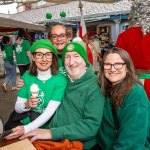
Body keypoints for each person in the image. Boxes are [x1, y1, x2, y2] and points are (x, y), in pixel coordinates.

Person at [6, 41, 105, 150]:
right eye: (67, 57)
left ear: (85, 60)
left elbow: (90, 127)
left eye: (76, 56)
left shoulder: (95, 85)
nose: (72, 62)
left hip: (71, 142)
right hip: (49, 133)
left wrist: (50, 133)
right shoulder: (66, 78)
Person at [4, 39, 67, 136]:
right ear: (33, 57)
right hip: (25, 118)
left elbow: (49, 112)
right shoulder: (27, 76)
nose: (44, 59)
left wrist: (26, 129)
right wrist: (27, 105)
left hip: (45, 124)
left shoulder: (60, 80)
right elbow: (18, 107)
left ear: (53, 57)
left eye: (48, 54)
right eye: (39, 55)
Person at [96, 47, 150, 149]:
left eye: (118, 64)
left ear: (127, 67)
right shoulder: (103, 89)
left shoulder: (136, 93)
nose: (112, 69)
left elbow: (131, 141)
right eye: (107, 65)